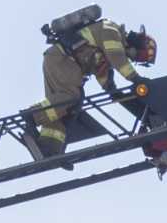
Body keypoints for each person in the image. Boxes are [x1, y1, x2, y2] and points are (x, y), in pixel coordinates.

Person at [23, 12, 157, 161]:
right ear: (136, 44)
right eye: (133, 55)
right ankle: (32, 116)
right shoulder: (111, 31)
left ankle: (49, 148)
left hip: (59, 60)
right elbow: (117, 59)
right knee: (70, 98)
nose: (130, 57)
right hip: (63, 60)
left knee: (66, 108)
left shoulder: (108, 38)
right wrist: (136, 79)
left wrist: (112, 90)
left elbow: (101, 69)